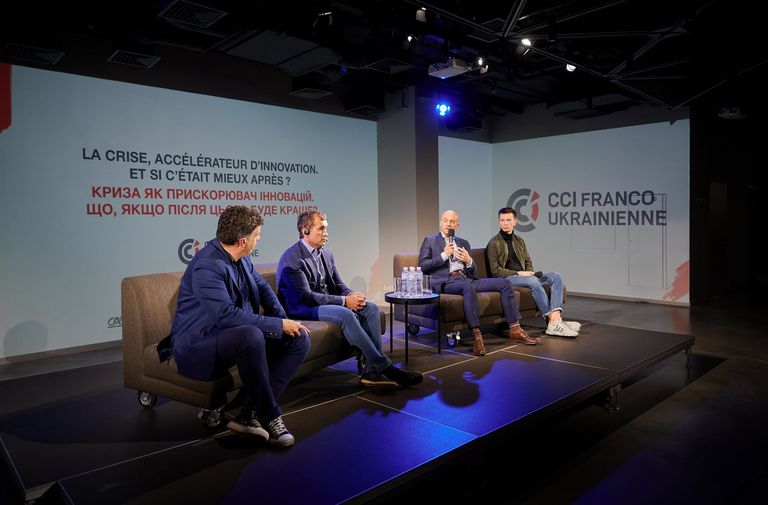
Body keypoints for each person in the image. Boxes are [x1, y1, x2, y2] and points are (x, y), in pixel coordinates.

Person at [164, 205, 310, 448]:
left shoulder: (241, 257)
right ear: (243, 241)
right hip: (200, 342)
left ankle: (248, 413)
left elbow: (263, 288)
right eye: (257, 236)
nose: (258, 239)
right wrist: (276, 324)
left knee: (299, 339)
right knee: (250, 335)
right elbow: (226, 316)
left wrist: (284, 320)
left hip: (230, 334)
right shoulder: (207, 266)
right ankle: (270, 416)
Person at [277, 210, 423, 388]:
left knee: (370, 308)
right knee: (345, 314)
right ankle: (385, 367)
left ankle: (371, 371)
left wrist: (351, 295)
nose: (326, 233)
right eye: (321, 229)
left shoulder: (326, 254)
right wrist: (344, 302)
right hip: (302, 307)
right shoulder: (292, 259)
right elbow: (306, 296)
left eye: (326, 228)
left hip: (323, 302)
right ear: (305, 231)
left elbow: (338, 284)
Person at [418, 210, 538, 356]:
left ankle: (515, 329)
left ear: (457, 225)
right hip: (446, 281)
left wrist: (469, 261)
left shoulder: (463, 243)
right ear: (440, 222)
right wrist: (444, 255)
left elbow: (473, 270)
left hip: (467, 279)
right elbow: (423, 266)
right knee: (467, 288)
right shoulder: (430, 240)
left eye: (452, 221)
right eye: (445, 220)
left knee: (504, 283)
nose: (448, 224)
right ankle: (477, 336)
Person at [487, 207, 581, 337]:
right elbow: (495, 271)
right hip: (508, 278)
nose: (505, 223)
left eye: (508, 220)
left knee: (556, 276)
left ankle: (555, 320)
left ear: (515, 222)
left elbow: (527, 261)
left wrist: (529, 272)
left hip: (525, 276)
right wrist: (519, 273)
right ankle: (552, 322)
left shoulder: (520, 241)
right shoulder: (493, 243)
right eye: (502, 220)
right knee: (532, 281)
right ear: (499, 222)